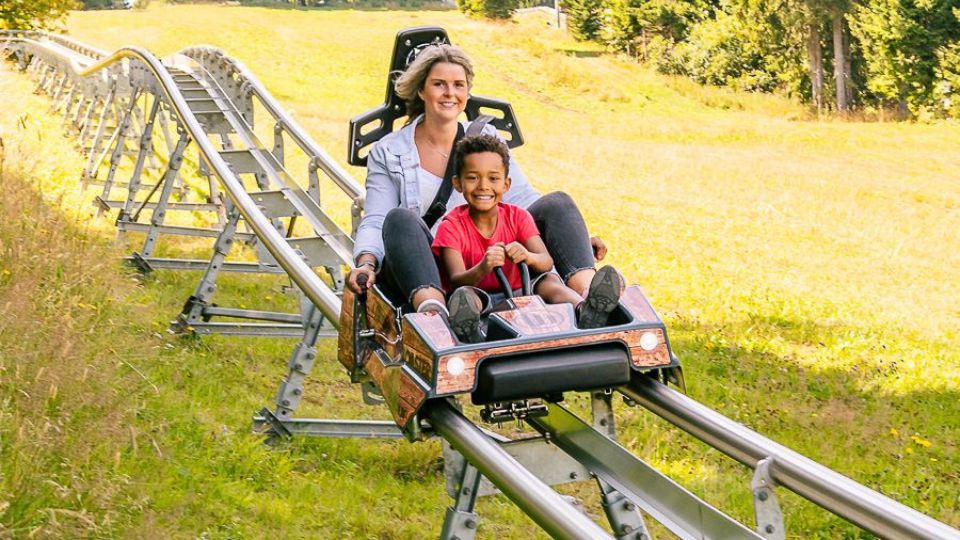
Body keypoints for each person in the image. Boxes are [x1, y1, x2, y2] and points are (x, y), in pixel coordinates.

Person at [346, 43, 611, 317]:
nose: (450, 93)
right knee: (399, 219)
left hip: (492, 258)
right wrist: (366, 263)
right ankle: (434, 312)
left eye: (459, 85)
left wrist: (570, 238)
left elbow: (521, 198)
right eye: (439, 84)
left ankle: (590, 296)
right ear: (421, 90)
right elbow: (377, 218)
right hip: (432, 265)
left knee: (558, 203)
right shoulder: (389, 151)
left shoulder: (486, 137)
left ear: (467, 91)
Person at [433, 134, 623, 342]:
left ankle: (585, 310)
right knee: (465, 296)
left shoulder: (518, 217)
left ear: (506, 184)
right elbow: (455, 279)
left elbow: (545, 261)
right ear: (457, 183)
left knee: (548, 281)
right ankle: (471, 331)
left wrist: (529, 256)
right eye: (472, 177)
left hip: (522, 290)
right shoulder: (451, 225)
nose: (483, 186)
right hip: (481, 294)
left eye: (493, 178)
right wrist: (482, 268)